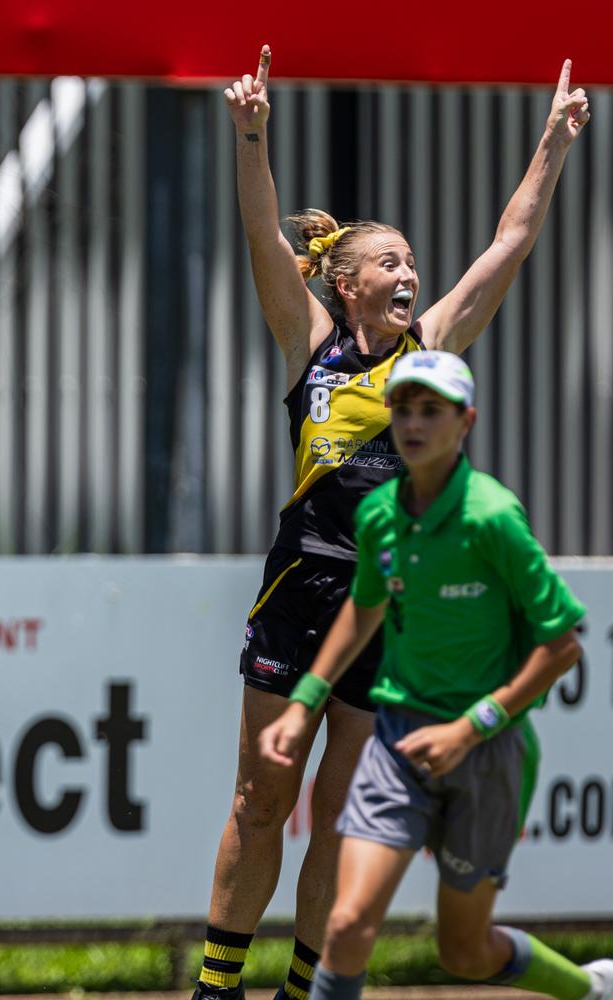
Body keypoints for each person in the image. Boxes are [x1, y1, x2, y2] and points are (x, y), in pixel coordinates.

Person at [192, 45, 590, 1000]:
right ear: (345, 281)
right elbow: (259, 235)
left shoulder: (435, 342)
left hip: (384, 597)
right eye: (390, 260)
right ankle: (215, 987)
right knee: (260, 799)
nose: (410, 270)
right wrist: (252, 138)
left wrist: (554, 144)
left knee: (338, 810)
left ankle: (304, 988)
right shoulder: (310, 344)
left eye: (414, 260)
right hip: (302, 588)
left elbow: (511, 242)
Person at [259, 349, 613, 1000]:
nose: (414, 424)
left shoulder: (492, 517)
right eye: (402, 409)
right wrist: (305, 697)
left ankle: (587, 989)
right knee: (347, 924)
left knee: (465, 952)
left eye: (432, 411)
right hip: (396, 741)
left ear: (465, 421)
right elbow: (365, 608)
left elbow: (561, 646)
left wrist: (470, 729)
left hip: (488, 750)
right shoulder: (379, 516)